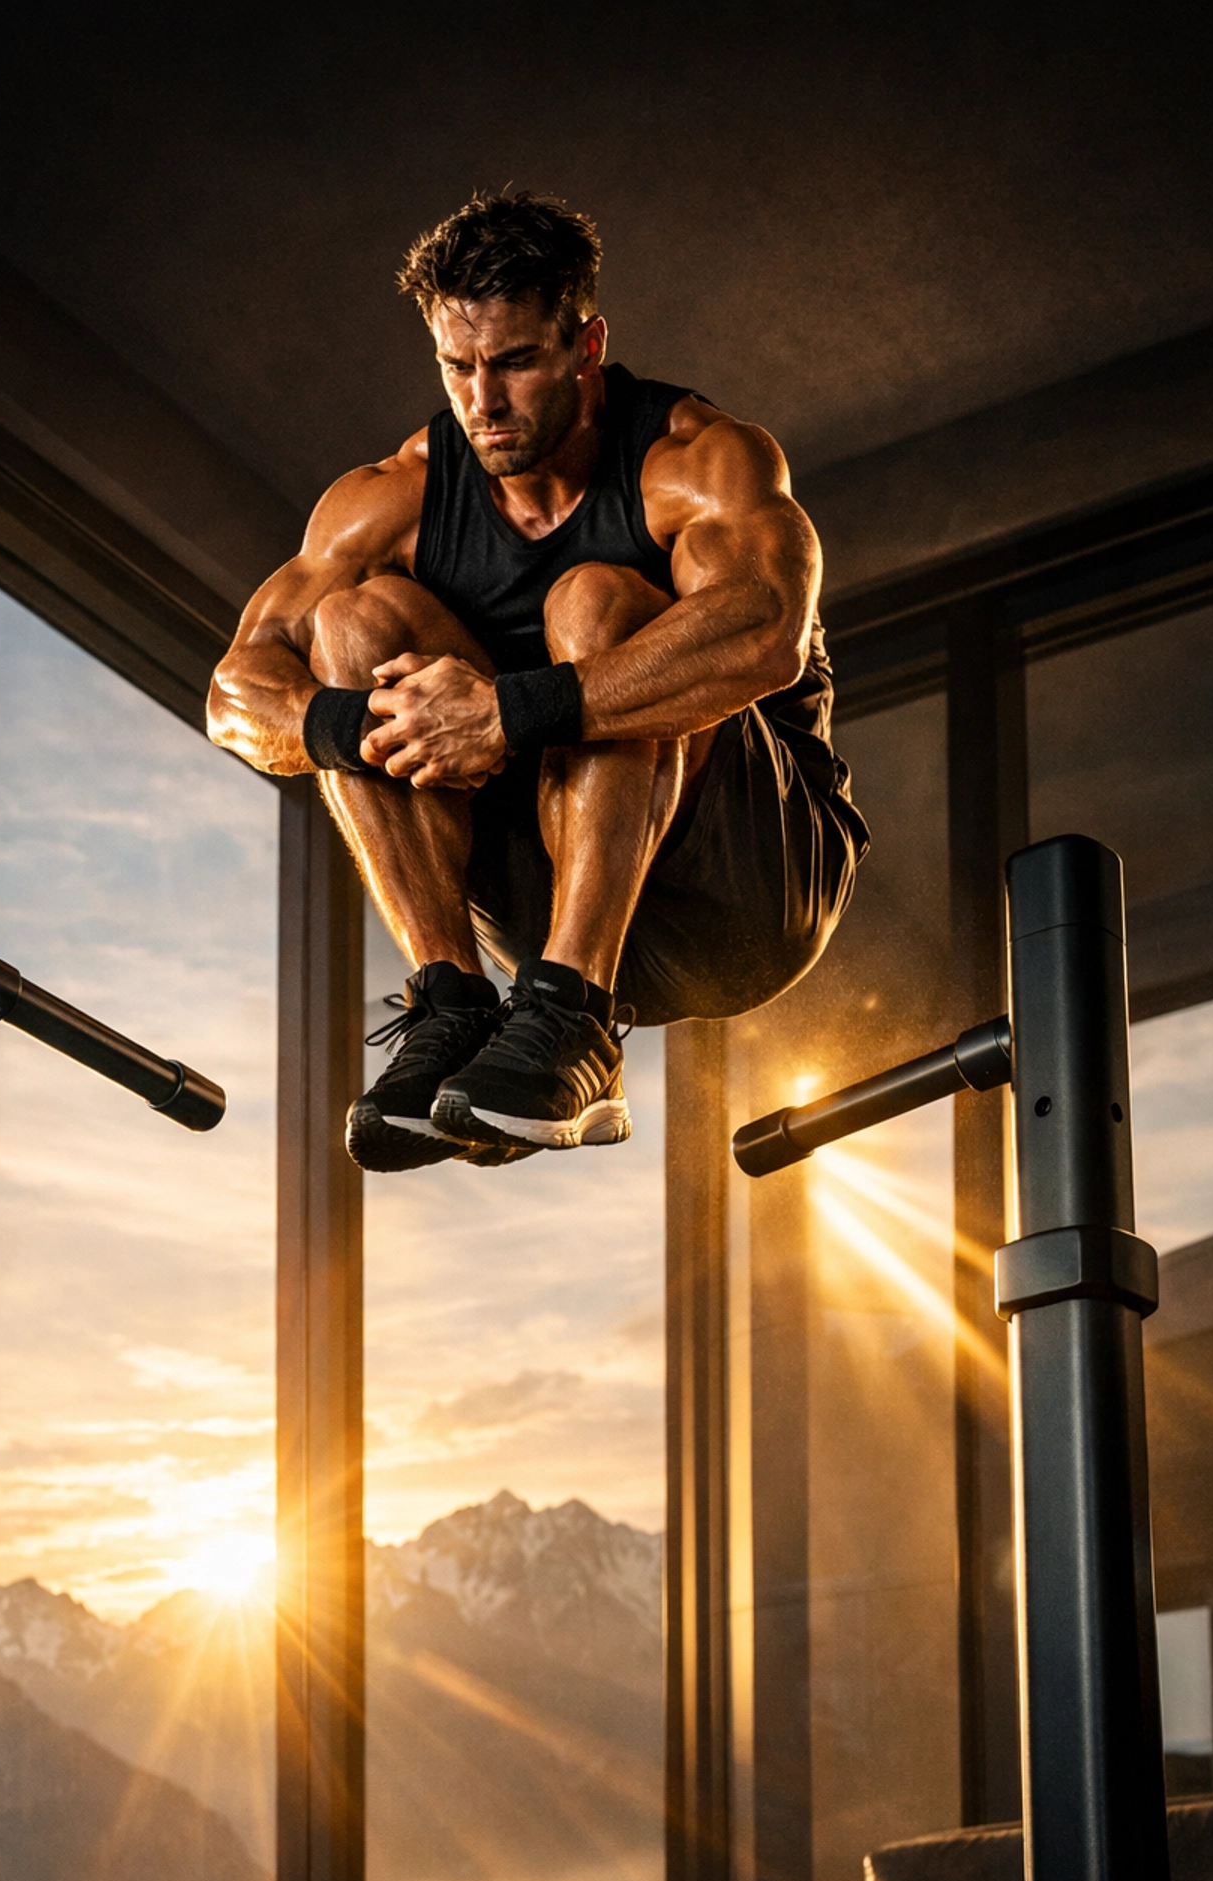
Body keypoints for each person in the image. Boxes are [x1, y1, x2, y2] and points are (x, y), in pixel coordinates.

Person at [207, 191, 867, 1172]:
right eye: (458, 365)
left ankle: (576, 1019)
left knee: (595, 599)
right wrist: (369, 725)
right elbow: (234, 696)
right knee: (351, 625)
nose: (484, 399)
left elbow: (766, 631)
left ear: (586, 346)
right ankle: (457, 1009)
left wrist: (506, 715)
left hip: (746, 895)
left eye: (514, 362)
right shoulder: (395, 494)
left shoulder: (697, 461)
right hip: (545, 887)